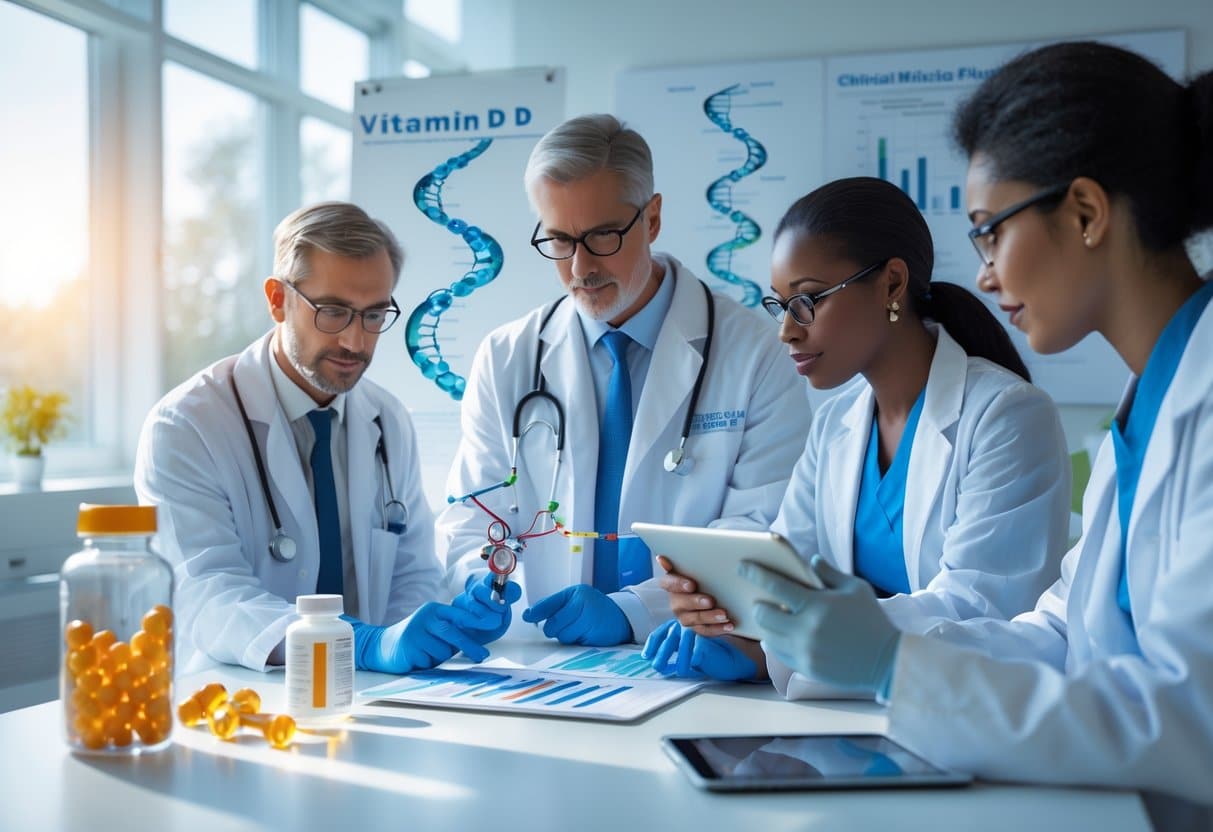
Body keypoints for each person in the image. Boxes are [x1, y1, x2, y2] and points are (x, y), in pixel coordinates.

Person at [738, 42, 1213, 827]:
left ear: (1085, 213)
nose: (984, 275)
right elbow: (1060, 632)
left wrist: (891, 662)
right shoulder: (1151, 402)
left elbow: (1190, 715)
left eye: (990, 232)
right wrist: (872, 654)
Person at [646, 176, 1071, 687]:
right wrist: (723, 609)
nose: (787, 330)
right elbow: (789, 570)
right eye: (780, 305)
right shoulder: (835, 423)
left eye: (808, 300)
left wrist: (785, 644)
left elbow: (981, 606)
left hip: (957, 699)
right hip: (852, 703)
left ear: (891, 284)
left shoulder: (1007, 416)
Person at [436, 114, 811, 647]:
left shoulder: (753, 352)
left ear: (652, 219)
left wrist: (637, 609)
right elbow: (471, 515)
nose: (580, 267)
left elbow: (763, 527)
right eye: (559, 240)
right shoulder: (506, 356)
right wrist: (480, 580)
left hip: (689, 649)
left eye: (602, 236)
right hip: (543, 657)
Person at [135, 202, 518, 674]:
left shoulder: (387, 420)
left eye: (374, 315)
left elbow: (413, 572)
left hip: (375, 694)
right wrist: (359, 644)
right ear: (278, 299)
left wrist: (435, 627)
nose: (356, 342)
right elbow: (207, 594)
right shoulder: (187, 426)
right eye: (333, 312)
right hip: (247, 692)